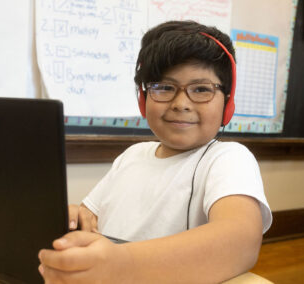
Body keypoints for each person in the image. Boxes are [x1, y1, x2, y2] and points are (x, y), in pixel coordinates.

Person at [38, 20, 272, 283]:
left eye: (202, 89)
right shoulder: (132, 156)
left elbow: (240, 241)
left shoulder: (228, 159)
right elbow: (89, 217)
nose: (181, 103)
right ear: (143, 97)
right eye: (164, 87)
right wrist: (73, 218)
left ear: (227, 103)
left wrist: (121, 264)